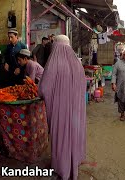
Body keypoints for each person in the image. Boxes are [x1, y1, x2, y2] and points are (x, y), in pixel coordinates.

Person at [38, 35, 86, 180]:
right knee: (74, 134)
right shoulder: (77, 64)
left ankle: (62, 168)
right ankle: (73, 163)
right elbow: (83, 85)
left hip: (60, 110)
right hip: (76, 111)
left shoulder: (54, 63)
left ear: (56, 45)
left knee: (61, 135)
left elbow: (44, 89)